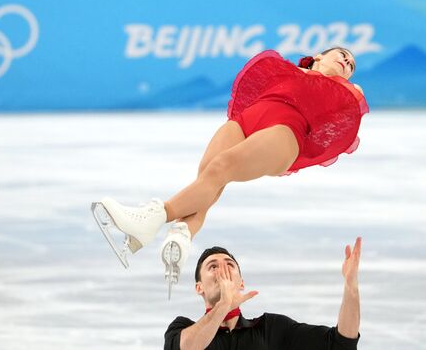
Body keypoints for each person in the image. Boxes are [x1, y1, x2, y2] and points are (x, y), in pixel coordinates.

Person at [93, 48, 368, 285]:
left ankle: (152, 218)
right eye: (342, 55)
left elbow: (342, 120)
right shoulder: (285, 69)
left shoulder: (344, 92)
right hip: (249, 118)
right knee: (207, 176)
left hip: (285, 132)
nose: (347, 62)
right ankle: (181, 235)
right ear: (319, 56)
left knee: (221, 167)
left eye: (352, 65)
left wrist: (346, 90)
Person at [164, 239, 362, 350]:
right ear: (199, 287)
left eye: (229, 265)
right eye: (213, 266)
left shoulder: (271, 329)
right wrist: (223, 305)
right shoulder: (181, 329)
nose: (223, 271)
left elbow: (341, 344)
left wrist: (351, 287)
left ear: (241, 283)